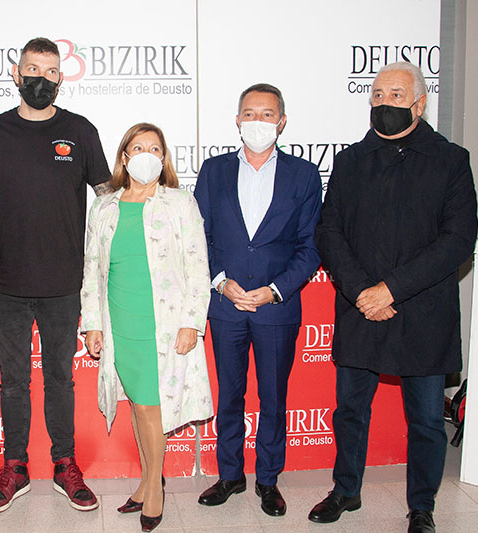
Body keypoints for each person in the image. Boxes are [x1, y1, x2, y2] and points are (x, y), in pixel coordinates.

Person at [310, 62, 477, 533]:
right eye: (378, 95)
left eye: (396, 95)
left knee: (425, 420)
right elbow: (329, 232)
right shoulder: (350, 161)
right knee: (350, 411)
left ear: (419, 105)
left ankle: (422, 506)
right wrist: (363, 291)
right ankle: (346, 490)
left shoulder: (451, 160)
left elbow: (458, 240)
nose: (385, 103)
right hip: (360, 308)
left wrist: (390, 290)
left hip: (422, 311)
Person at [0, 36, 112, 514]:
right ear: (16, 73)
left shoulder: (80, 131)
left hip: (65, 285)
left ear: (60, 78)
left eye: (50, 72)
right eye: (32, 69)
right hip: (5, 283)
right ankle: (15, 468)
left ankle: (65, 464)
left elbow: (108, 200)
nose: (40, 79)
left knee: (60, 380)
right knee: (12, 382)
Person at [194, 83, 322, 517]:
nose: (258, 121)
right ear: (237, 120)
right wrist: (220, 282)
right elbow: (199, 237)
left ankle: (268, 479)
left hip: (276, 308)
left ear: (281, 122)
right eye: (249, 113)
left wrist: (274, 290)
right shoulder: (213, 171)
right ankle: (230, 475)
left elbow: (310, 246)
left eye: (267, 114)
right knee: (229, 396)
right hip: (226, 306)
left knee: (273, 397)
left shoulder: (304, 176)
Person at [82, 123, 213, 532]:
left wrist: (192, 322)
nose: (146, 155)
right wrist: (92, 324)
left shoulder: (180, 203)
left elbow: (198, 266)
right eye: (137, 147)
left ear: (164, 157)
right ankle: (146, 481)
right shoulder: (104, 207)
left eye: (154, 148)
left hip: (164, 322)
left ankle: (154, 489)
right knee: (139, 405)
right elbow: (92, 269)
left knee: (151, 405)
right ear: (124, 157)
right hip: (120, 321)